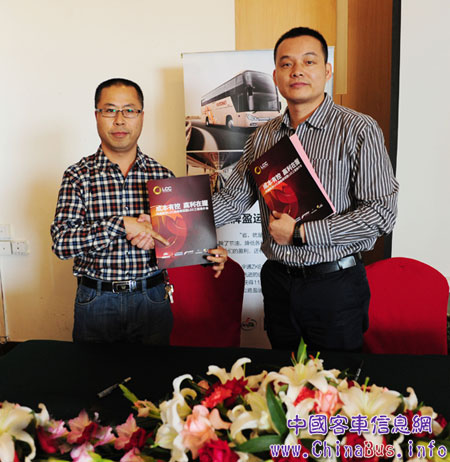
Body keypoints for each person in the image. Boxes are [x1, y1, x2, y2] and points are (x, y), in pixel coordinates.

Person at [212, 27, 399, 352]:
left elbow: (382, 214)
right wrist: (165, 223)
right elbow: (232, 199)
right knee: (282, 377)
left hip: (335, 286)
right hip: (278, 283)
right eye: (286, 64)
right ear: (276, 76)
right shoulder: (262, 137)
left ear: (327, 71)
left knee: (336, 380)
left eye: (309, 61)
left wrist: (301, 233)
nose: (297, 70)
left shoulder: (358, 129)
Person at [51, 78, 227, 344]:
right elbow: (62, 243)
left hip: (152, 298)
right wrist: (121, 225)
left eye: (129, 110)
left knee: (153, 371)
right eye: (110, 110)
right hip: (96, 300)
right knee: (92, 370)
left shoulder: (162, 176)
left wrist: (208, 253)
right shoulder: (78, 176)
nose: (119, 120)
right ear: (96, 116)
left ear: (142, 116)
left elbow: (181, 238)